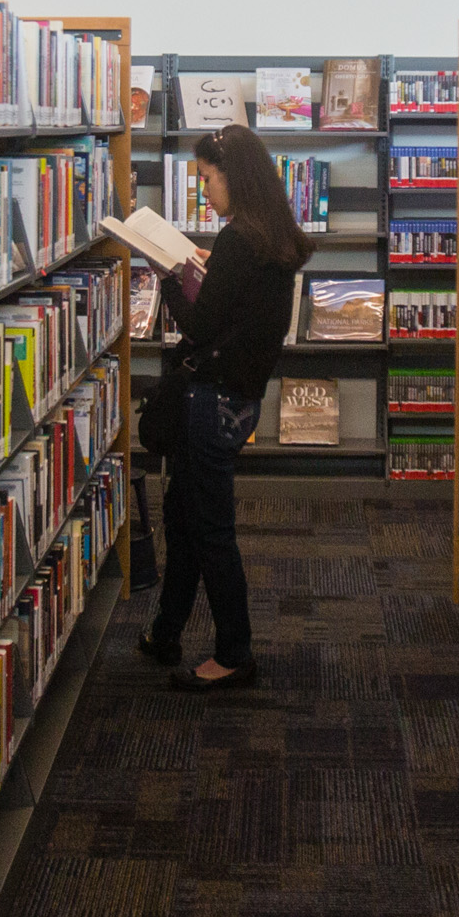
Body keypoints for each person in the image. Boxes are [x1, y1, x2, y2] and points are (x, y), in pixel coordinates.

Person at [141, 121, 310, 690]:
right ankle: (165, 632)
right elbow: (245, 306)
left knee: (209, 530)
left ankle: (235, 653)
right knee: (183, 517)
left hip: (211, 401)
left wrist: (169, 277)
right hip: (239, 398)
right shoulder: (272, 236)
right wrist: (209, 268)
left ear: (235, 177)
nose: (205, 190)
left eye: (208, 179)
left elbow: (198, 324)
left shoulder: (240, 242)